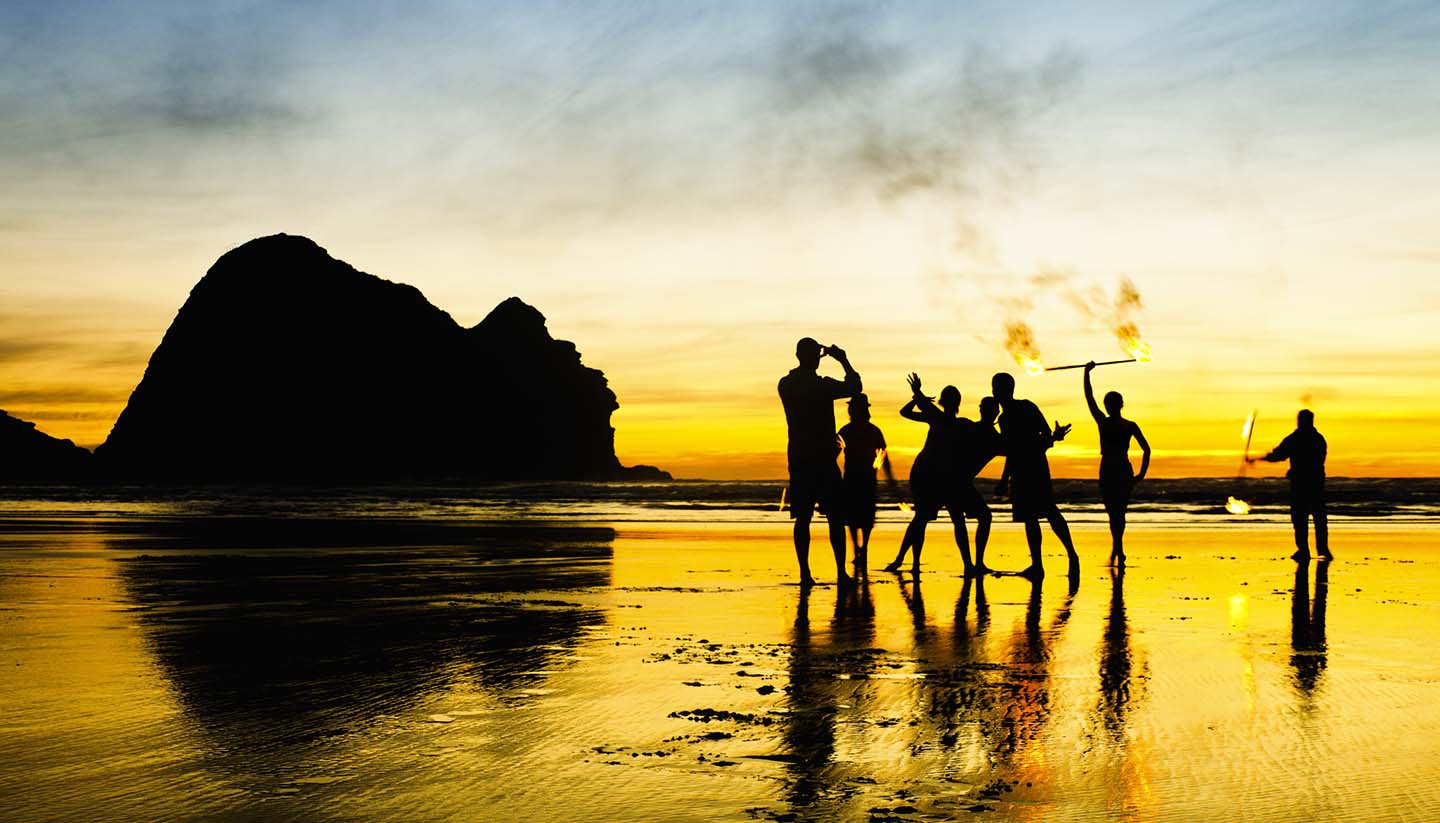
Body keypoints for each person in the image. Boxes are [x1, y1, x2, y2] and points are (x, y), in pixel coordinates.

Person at [779, 337, 862, 586]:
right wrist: (843, 359)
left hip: (799, 458)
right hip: (824, 460)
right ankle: (840, 572)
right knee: (835, 517)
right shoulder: (821, 385)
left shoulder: (785, 384)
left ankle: (805, 574)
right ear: (815, 357)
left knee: (803, 518)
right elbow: (855, 386)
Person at [883, 373, 981, 576]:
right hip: (933, 476)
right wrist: (917, 396)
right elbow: (984, 430)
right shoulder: (958, 423)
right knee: (950, 520)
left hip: (932, 475)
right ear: (957, 403)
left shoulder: (938, 417)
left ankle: (904, 560)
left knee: (923, 519)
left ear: (944, 401)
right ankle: (967, 565)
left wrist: (917, 396)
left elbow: (905, 411)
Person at [991, 371, 1078, 579]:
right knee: (1038, 515)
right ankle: (1042, 564)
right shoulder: (1017, 411)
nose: (994, 391)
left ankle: (1064, 557)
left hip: (1028, 469)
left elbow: (1016, 449)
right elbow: (1044, 438)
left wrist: (1004, 479)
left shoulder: (1014, 414)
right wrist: (1052, 438)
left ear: (1003, 390)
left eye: (996, 387)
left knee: (1044, 513)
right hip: (1032, 466)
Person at [1083, 361, 1151, 567]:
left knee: (1114, 512)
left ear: (1114, 405)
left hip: (1113, 469)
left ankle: (1118, 547)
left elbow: (1089, 397)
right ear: (1119, 405)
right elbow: (1147, 450)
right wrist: (1140, 474)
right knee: (1118, 511)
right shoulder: (1126, 425)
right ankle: (1117, 546)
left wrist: (1086, 373)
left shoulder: (1108, 423)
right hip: (1120, 469)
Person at [1249, 409, 1330, 561]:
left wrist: (1258, 459)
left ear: (1300, 421)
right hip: (1316, 482)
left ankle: (1304, 550)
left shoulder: (1295, 439)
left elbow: (1278, 455)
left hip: (1300, 483)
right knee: (1319, 517)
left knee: (1300, 518)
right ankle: (1322, 549)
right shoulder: (1319, 439)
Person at [837, 393, 893, 577]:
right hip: (864, 478)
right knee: (863, 516)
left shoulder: (847, 430)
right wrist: (890, 478)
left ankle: (859, 549)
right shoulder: (871, 430)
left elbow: (833, 454)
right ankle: (862, 549)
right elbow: (884, 456)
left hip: (854, 477)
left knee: (855, 517)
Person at [950, 395, 1004, 574]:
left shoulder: (969, 427)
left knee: (960, 521)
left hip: (953, 478)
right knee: (983, 517)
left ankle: (971, 565)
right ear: (996, 412)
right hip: (958, 480)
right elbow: (1017, 449)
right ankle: (975, 564)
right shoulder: (990, 436)